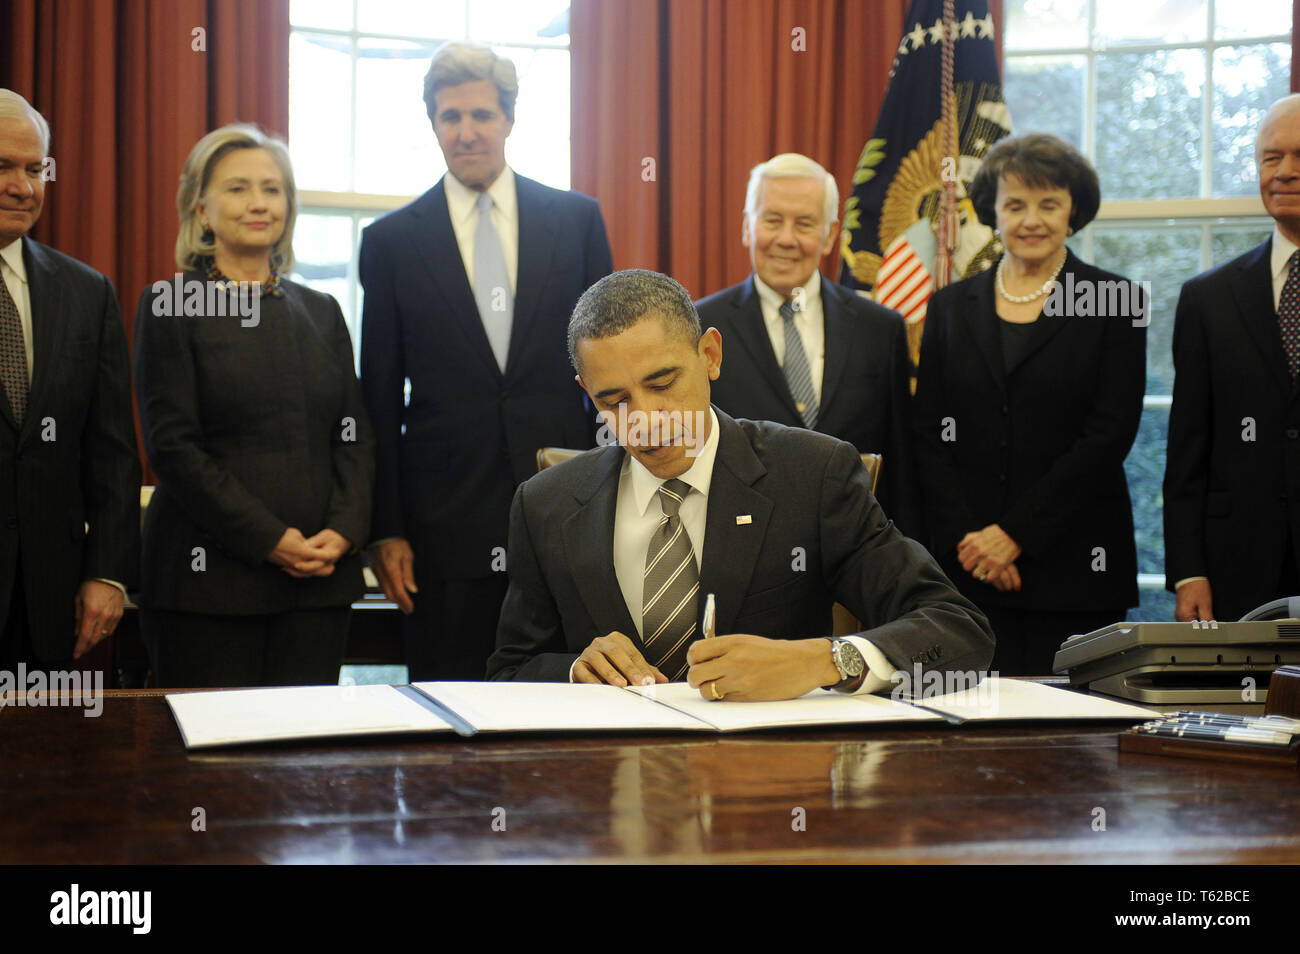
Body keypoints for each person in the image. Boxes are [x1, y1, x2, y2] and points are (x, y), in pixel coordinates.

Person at [486, 269, 994, 700]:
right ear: (586, 393)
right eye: (613, 400)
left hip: (767, 786)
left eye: (663, 384)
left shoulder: (812, 475)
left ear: (710, 354)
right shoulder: (545, 503)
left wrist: (826, 661)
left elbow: (958, 630)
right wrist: (574, 670)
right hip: (611, 788)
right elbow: (509, 671)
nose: (644, 419)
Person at [360, 41, 613, 681]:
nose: (466, 132)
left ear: (509, 119)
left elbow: (612, 377)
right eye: (450, 117)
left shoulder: (576, 221)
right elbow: (378, 399)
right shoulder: (389, 242)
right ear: (433, 124)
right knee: (447, 723)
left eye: (481, 115)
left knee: (565, 709)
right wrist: (385, 530)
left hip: (568, 512)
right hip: (442, 528)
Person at [133, 123, 374, 687]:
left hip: (319, 580)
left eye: (272, 188)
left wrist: (345, 529)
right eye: (238, 188)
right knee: (210, 771)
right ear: (200, 206)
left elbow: (354, 432)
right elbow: (173, 447)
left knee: (302, 768)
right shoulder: (169, 303)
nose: (259, 203)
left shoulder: (322, 310)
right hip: (207, 587)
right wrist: (271, 541)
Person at [912, 133, 1145, 676]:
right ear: (993, 212)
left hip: (1076, 568)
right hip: (967, 571)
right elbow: (929, 433)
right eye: (1015, 204)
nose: (1031, 219)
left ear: (1074, 211)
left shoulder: (1115, 302)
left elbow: (1109, 435)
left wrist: (1015, 535)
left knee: (1075, 749)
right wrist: (973, 544)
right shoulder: (950, 307)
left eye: (1049, 203)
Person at [695, 153, 917, 533]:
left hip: (854, 551)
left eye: (804, 223)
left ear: (830, 235)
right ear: (748, 227)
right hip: (740, 547)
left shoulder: (880, 329)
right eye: (772, 220)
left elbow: (901, 465)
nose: (786, 238)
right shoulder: (699, 326)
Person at [0, 90, 139, 670]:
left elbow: (112, 452)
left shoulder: (87, 292)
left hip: (50, 608)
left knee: (48, 762)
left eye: (35, 169)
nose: (24, 186)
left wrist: (107, 573)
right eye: (3, 167)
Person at [1165, 94, 1300, 623]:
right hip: (1236, 573)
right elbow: (1186, 451)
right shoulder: (1208, 298)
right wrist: (1188, 570)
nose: (1286, 172)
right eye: (1272, 158)